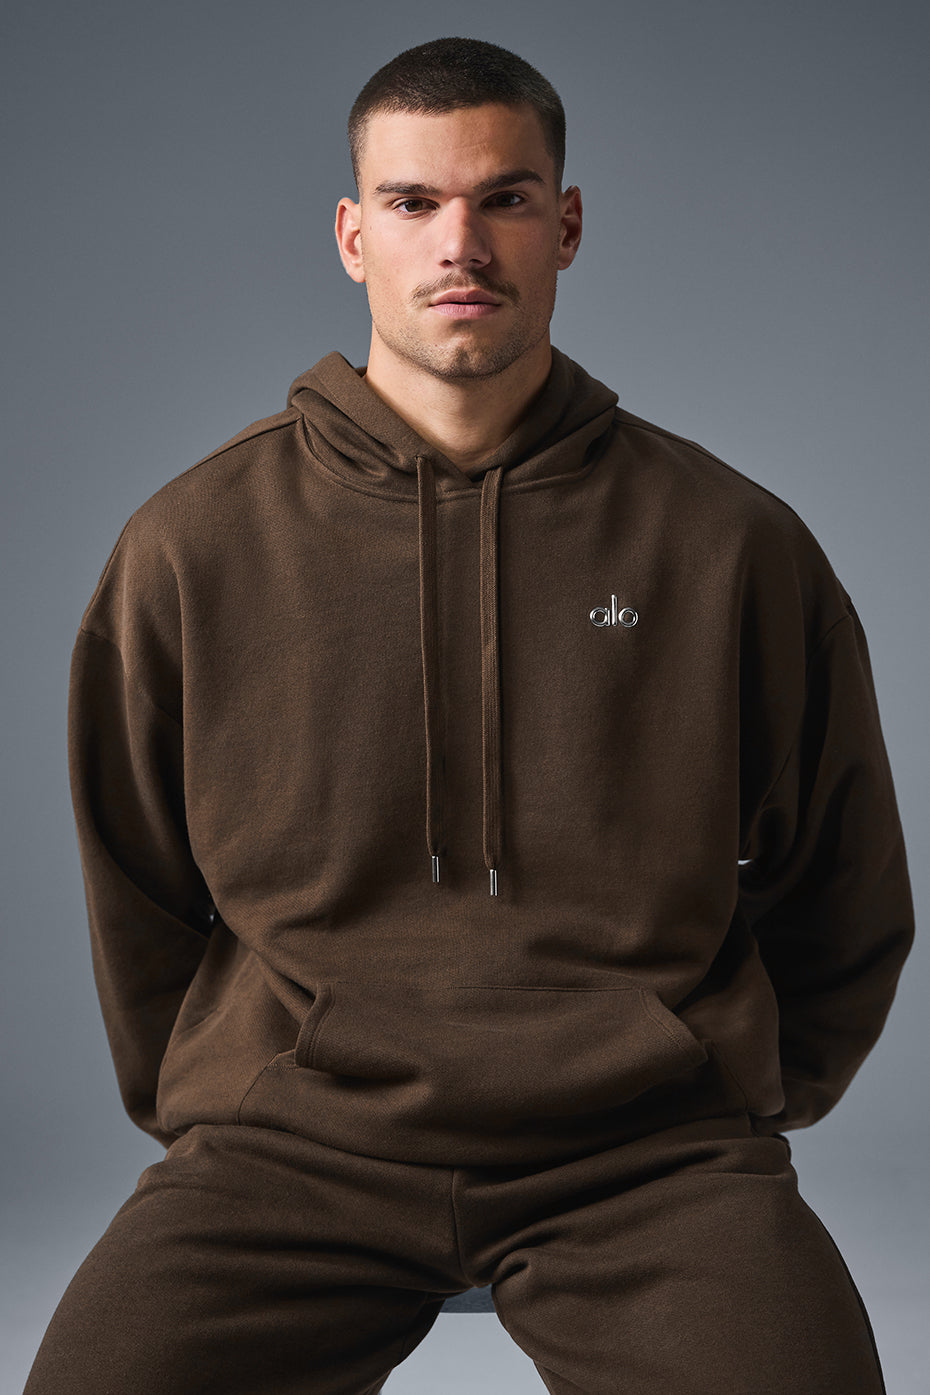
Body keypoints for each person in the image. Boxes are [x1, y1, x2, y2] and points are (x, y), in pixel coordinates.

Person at [25, 35, 913, 1395]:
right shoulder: (193, 545)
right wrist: (234, 1090)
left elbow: (843, 883)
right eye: (413, 202)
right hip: (292, 1154)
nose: (461, 244)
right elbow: (134, 883)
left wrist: (719, 1078)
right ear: (351, 236)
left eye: (504, 198)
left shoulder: (729, 540)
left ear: (567, 226)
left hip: (646, 1157)